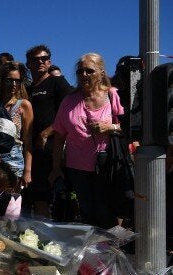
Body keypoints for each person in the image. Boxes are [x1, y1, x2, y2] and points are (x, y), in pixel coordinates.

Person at [48, 53, 123, 229]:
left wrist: (109, 127)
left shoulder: (113, 95)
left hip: (108, 166)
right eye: (80, 71)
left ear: (101, 72)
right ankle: (93, 252)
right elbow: (59, 137)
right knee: (87, 213)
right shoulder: (69, 101)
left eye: (89, 70)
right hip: (78, 168)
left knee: (108, 212)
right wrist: (56, 168)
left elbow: (129, 128)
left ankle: (113, 252)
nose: (84, 75)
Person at [23, 45, 72, 217]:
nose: (40, 62)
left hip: (52, 149)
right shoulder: (26, 89)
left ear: (49, 62)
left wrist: (47, 132)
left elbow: (71, 111)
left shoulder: (56, 82)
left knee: (53, 197)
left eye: (44, 59)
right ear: (28, 64)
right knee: (35, 196)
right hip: (31, 151)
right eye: (35, 60)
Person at [0, 62, 33, 186]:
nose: (13, 85)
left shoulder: (24, 105)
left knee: (11, 202)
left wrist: (27, 171)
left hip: (14, 159)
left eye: (17, 81)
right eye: (9, 80)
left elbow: (28, 141)